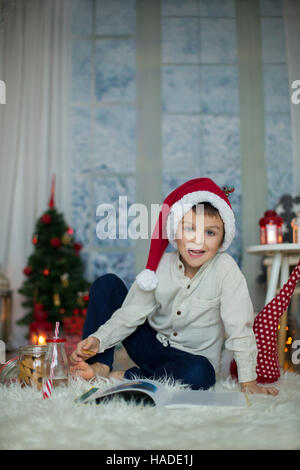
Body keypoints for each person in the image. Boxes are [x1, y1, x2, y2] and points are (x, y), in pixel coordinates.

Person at [70, 178, 278, 395]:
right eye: (189, 229)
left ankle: (130, 376)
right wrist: (99, 340)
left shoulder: (226, 269)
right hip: (152, 347)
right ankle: (99, 366)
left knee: (201, 374)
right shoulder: (161, 266)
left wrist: (248, 381)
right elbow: (130, 314)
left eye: (210, 233)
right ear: (174, 232)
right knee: (107, 284)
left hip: (192, 360)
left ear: (223, 238)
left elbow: (239, 326)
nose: (199, 241)